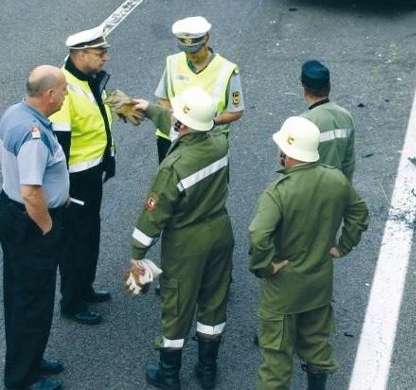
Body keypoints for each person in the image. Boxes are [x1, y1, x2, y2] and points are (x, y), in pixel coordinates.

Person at [249, 116, 369, 390]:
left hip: (282, 292)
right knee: (317, 347)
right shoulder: (336, 180)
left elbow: (258, 235)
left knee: (276, 363)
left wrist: (265, 267)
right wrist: (343, 246)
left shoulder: (277, 192)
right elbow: (360, 213)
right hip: (318, 284)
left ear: (287, 153)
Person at [127, 88, 234, 390]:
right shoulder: (220, 142)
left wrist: (137, 252)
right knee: (214, 300)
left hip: (187, 241)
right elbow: (187, 127)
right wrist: (150, 110)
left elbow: (154, 215)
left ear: (182, 123)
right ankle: (207, 369)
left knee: (177, 303)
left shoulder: (174, 167)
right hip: (220, 230)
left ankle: (169, 374)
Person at [0, 66, 69, 390]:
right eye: (64, 90)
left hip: (10, 211)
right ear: (49, 94)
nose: (66, 95)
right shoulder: (34, 134)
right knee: (33, 301)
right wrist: (48, 228)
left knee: (17, 295)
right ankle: (23, 379)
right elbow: (31, 191)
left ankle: (27, 357)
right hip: (30, 223)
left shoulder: (14, 112)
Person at [50, 26, 114, 326]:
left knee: (90, 235)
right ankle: (72, 302)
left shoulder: (87, 78)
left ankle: (85, 288)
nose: (106, 58)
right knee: (75, 242)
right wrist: (62, 192)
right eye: (100, 53)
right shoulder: (65, 89)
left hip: (92, 173)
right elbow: (59, 147)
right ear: (81, 54)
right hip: (74, 180)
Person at [154, 16, 244, 162]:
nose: (190, 55)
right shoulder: (173, 62)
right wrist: (174, 116)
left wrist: (211, 122)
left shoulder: (227, 70)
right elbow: (163, 98)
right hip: (173, 138)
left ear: (206, 39)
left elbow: (236, 111)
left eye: (195, 50)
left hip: (208, 141)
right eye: (186, 50)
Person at [299, 60, 356, 181]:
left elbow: (289, 164)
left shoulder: (303, 123)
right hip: (337, 190)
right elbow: (348, 163)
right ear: (329, 86)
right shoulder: (346, 117)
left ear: (304, 90)